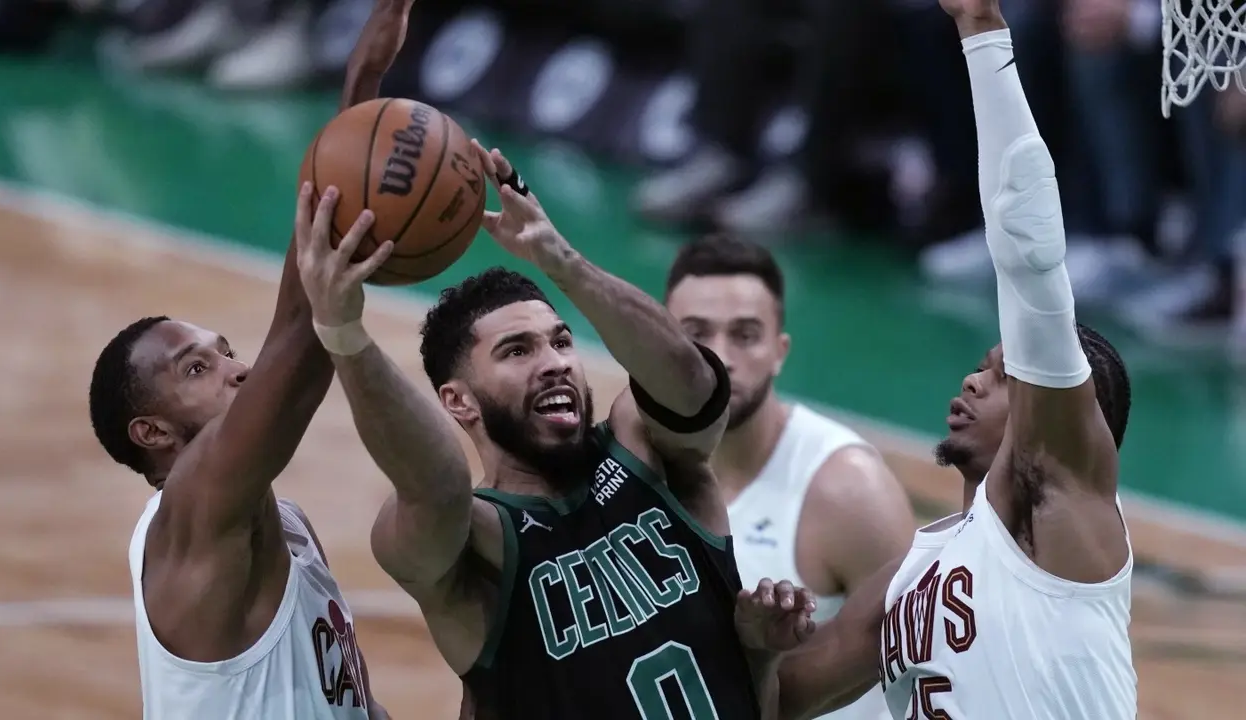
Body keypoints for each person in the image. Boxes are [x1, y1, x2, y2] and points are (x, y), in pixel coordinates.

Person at [296, 139, 811, 719]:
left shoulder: (646, 452)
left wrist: (559, 259)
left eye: (561, 341)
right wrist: (343, 333)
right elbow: (434, 483)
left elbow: (697, 390)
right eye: (517, 351)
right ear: (458, 402)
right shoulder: (476, 542)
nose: (554, 361)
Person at [769, 0, 1138, 718]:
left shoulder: (1060, 495)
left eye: (1004, 375)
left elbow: (1030, 257)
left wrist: (978, 29)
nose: (974, 377)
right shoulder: (913, 571)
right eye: (985, 365)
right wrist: (758, 642)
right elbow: (780, 698)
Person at [85, 3, 414, 717]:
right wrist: (358, 86)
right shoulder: (189, 514)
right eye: (196, 369)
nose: (237, 369)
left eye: (225, 352)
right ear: (152, 433)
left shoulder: (284, 524)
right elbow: (297, 353)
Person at [663, 234, 915, 719]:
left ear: (780, 351)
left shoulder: (846, 488)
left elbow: (925, 660)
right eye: (696, 332)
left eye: (745, 334)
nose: (720, 357)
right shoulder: (628, 468)